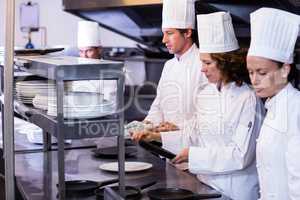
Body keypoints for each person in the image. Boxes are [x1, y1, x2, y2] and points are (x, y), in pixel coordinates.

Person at [135, 12, 263, 199]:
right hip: (206, 185)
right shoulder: (207, 93)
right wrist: (157, 137)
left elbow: (240, 155)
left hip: (235, 190)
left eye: (207, 63)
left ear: (225, 63)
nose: (202, 69)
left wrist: (192, 156)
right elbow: (194, 133)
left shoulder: (247, 99)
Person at [131, 0, 207, 149]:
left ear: (188, 32)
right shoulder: (169, 66)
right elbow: (158, 106)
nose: (164, 40)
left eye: (170, 33)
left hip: (194, 151)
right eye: (164, 33)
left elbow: (208, 115)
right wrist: (146, 125)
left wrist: (177, 128)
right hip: (167, 148)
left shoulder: (204, 64)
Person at [246, 7, 300, 200]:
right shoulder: (273, 105)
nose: (254, 80)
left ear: (285, 69)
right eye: (250, 72)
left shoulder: (296, 109)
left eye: (261, 72)